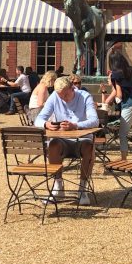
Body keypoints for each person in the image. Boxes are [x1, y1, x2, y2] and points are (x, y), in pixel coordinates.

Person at [34, 75, 99, 205]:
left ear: (72, 88)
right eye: (60, 96)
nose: (63, 98)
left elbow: (95, 120)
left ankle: (82, 189)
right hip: (63, 140)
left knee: (89, 147)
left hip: (82, 140)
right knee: (53, 145)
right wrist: (46, 124)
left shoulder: (84, 96)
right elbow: (38, 119)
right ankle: (58, 185)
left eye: (65, 95)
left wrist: (76, 125)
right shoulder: (55, 97)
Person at [103, 48, 132, 159]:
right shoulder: (131, 70)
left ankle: (123, 159)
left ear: (112, 63)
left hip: (129, 104)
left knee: (122, 134)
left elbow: (119, 95)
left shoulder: (115, 75)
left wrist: (112, 85)